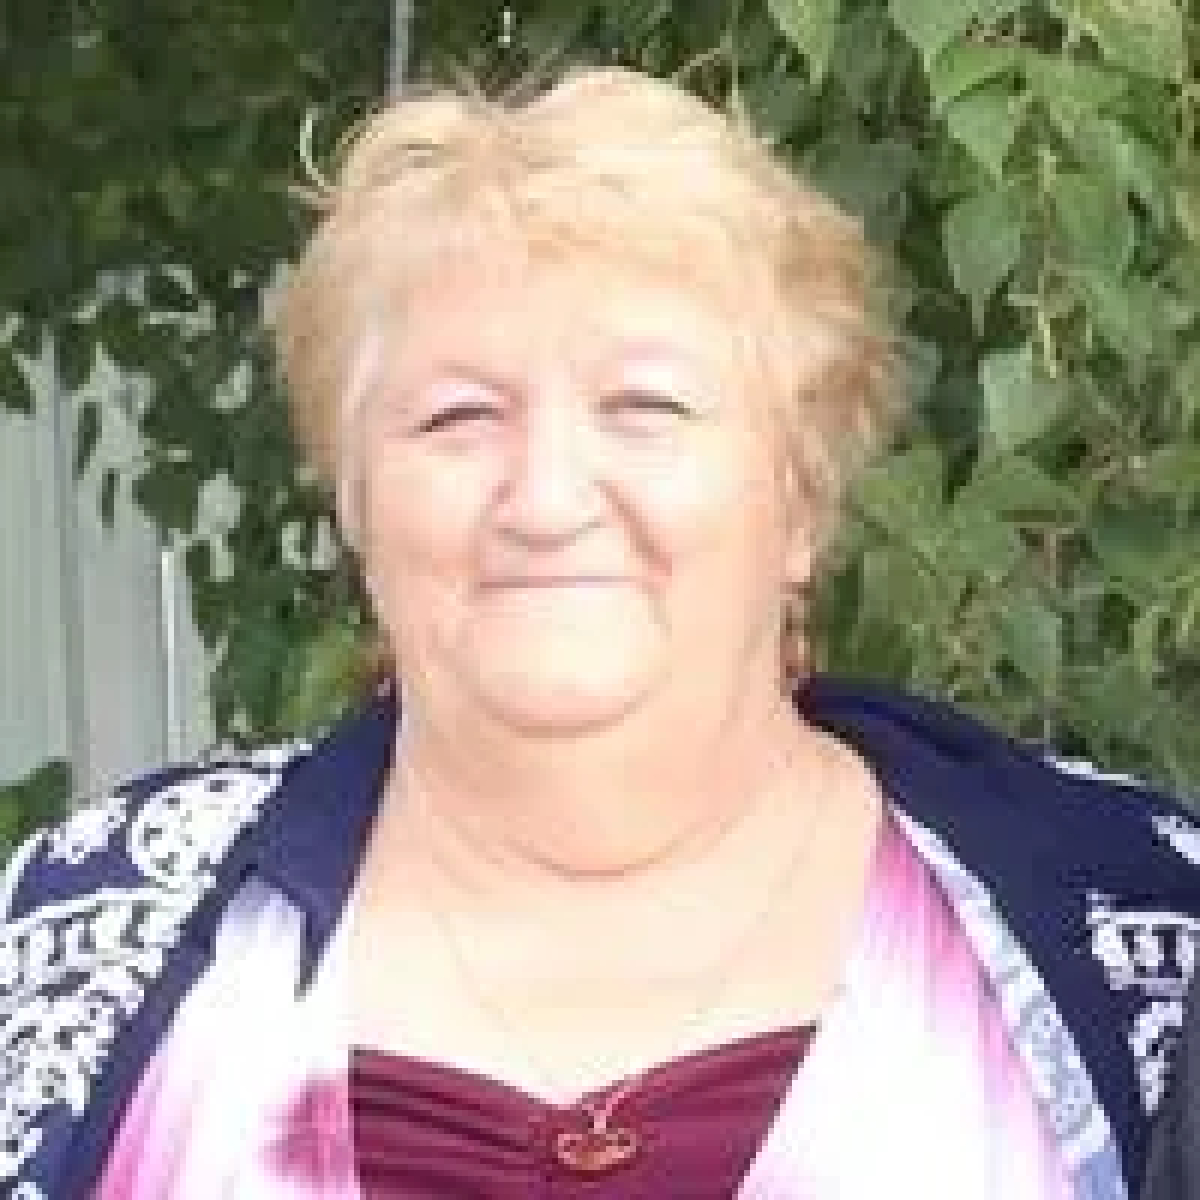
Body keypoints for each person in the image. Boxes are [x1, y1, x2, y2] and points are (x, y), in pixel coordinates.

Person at [1, 64, 1198, 1200]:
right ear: (356, 502)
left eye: (644, 406)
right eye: (458, 417)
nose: (546, 499)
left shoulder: (1135, 924)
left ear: (802, 500)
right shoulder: (86, 941)